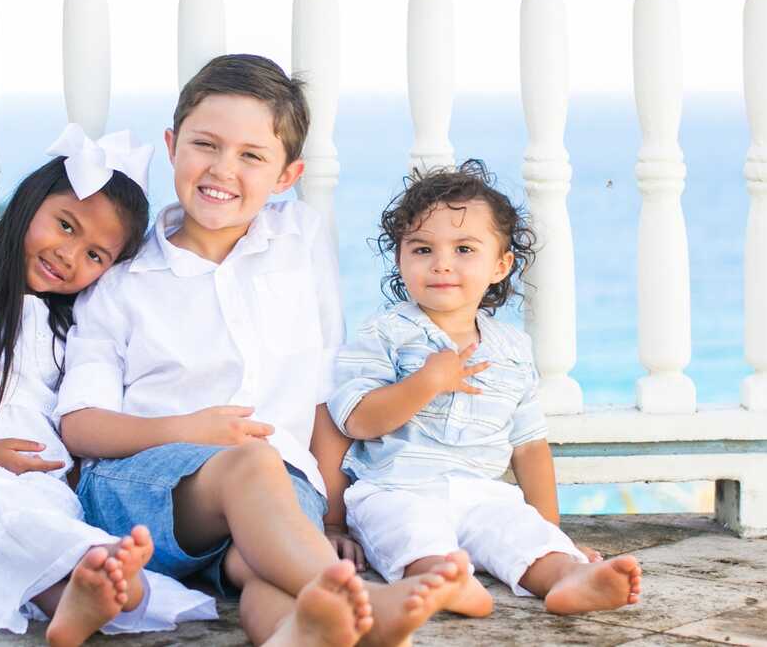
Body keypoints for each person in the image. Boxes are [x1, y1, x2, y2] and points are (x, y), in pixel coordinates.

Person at [58, 54, 465, 647]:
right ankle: (368, 602)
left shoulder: (299, 239)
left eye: (252, 155)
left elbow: (330, 383)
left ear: (286, 176)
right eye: (206, 145)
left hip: (278, 493)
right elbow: (79, 426)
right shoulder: (124, 281)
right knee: (254, 459)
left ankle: (296, 634)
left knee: (264, 568)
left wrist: (329, 515)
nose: (223, 169)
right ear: (172, 146)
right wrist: (189, 428)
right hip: (140, 492)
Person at [0, 125, 216, 646]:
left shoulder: (71, 326)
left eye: (97, 256)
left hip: (31, 475)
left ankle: (86, 594)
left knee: (37, 515)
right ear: (30, 203)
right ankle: (114, 589)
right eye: (66, 226)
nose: (70, 256)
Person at [329, 160, 643, 617]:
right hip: (397, 488)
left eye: (463, 249)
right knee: (409, 532)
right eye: (421, 249)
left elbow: (529, 446)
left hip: (480, 492)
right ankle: (440, 578)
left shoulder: (511, 348)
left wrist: (549, 529)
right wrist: (427, 381)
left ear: (500, 265)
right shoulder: (385, 333)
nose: (441, 264)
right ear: (400, 258)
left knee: (518, 531)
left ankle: (567, 577)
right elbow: (355, 418)